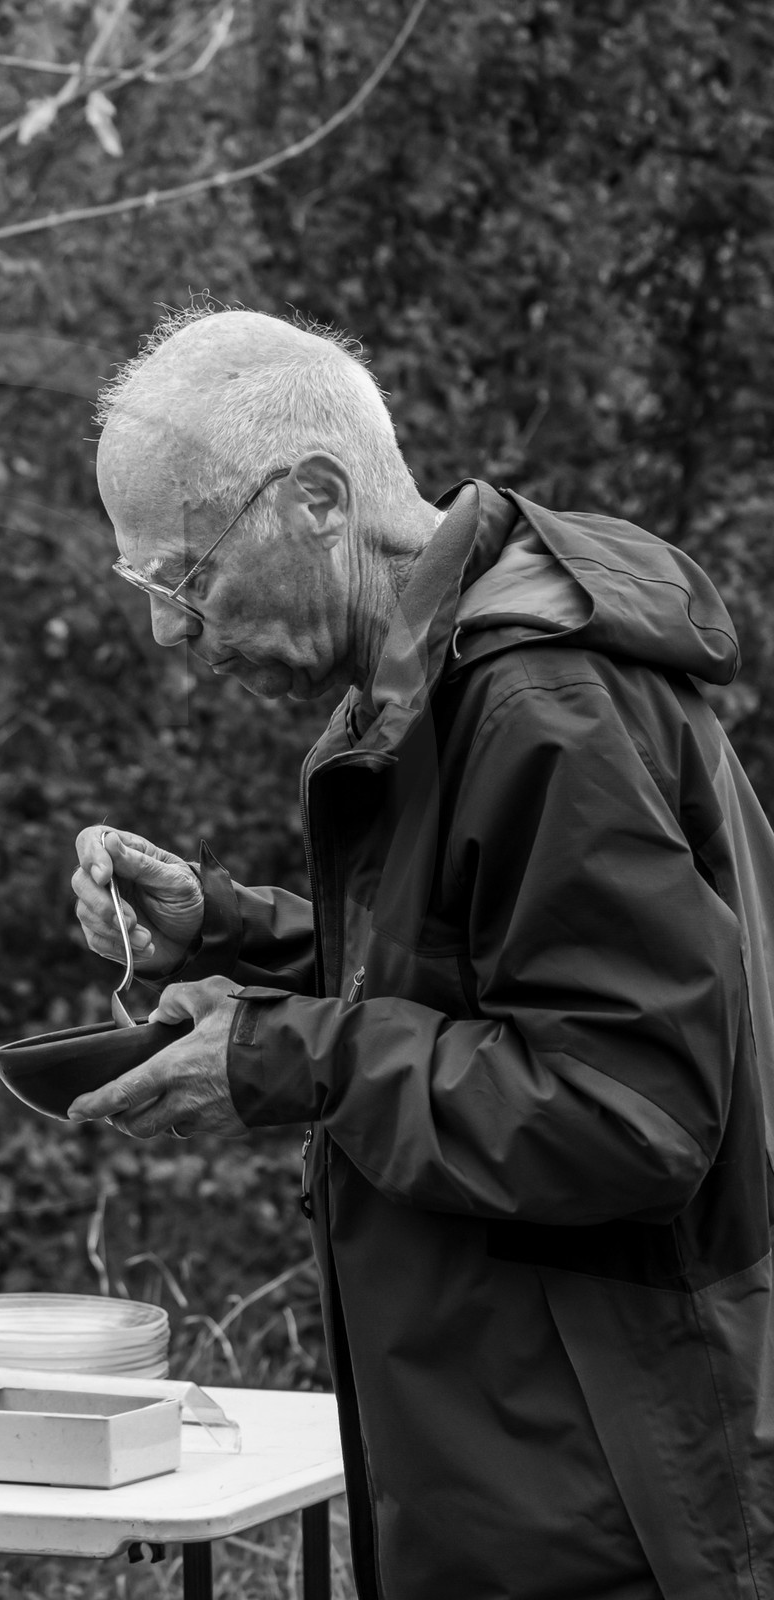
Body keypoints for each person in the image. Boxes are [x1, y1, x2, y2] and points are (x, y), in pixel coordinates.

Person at [69, 308, 774, 1598]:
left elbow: (629, 1109)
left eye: (185, 577)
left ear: (319, 499)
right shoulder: (427, 683)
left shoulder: (538, 705)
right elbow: (479, 970)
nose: (174, 633)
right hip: (512, 1455)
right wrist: (229, 929)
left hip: (605, 1491)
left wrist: (280, 1056)